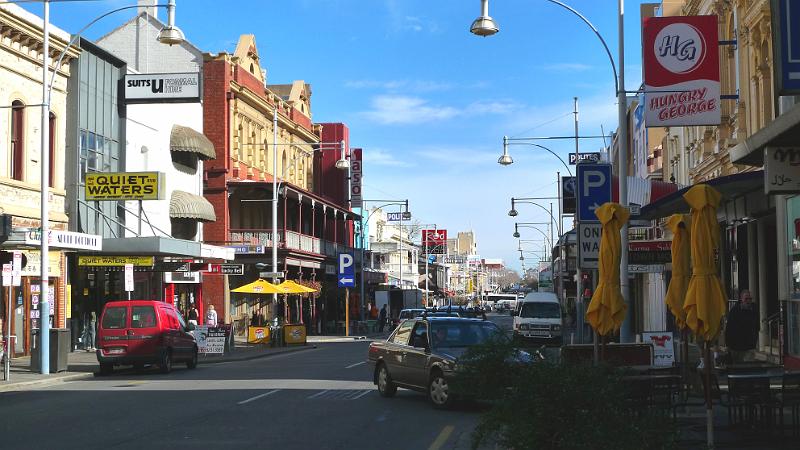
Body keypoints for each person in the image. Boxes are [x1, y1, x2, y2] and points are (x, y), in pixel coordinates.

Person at [724, 289, 759, 363]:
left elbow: (756, 325)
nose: (748, 301)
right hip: (736, 346)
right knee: (737, 366)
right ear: (741, 299)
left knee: (748, 366)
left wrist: (755, 339)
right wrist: (728, 344)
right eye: (746, 299)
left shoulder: (754, 309)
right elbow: (729, 328)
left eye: (750, 299)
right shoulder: (735, 311)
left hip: (749, 345)